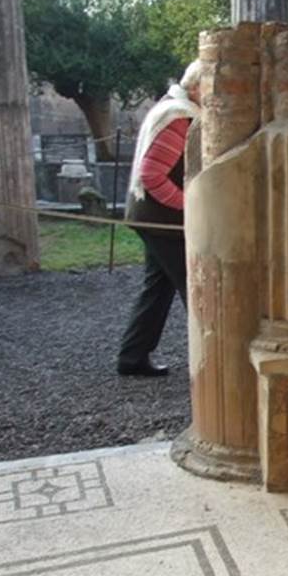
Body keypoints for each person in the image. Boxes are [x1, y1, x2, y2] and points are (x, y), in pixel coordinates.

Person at [117, 61, 202, 376]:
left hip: (152, 217)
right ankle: (212, 362)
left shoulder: (174, 108)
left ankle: (132, 357)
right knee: (195, 287)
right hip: (162, 220)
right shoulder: (178, 117)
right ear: (196, 87)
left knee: (158, 287)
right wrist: (191, 206)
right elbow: (151, 176)